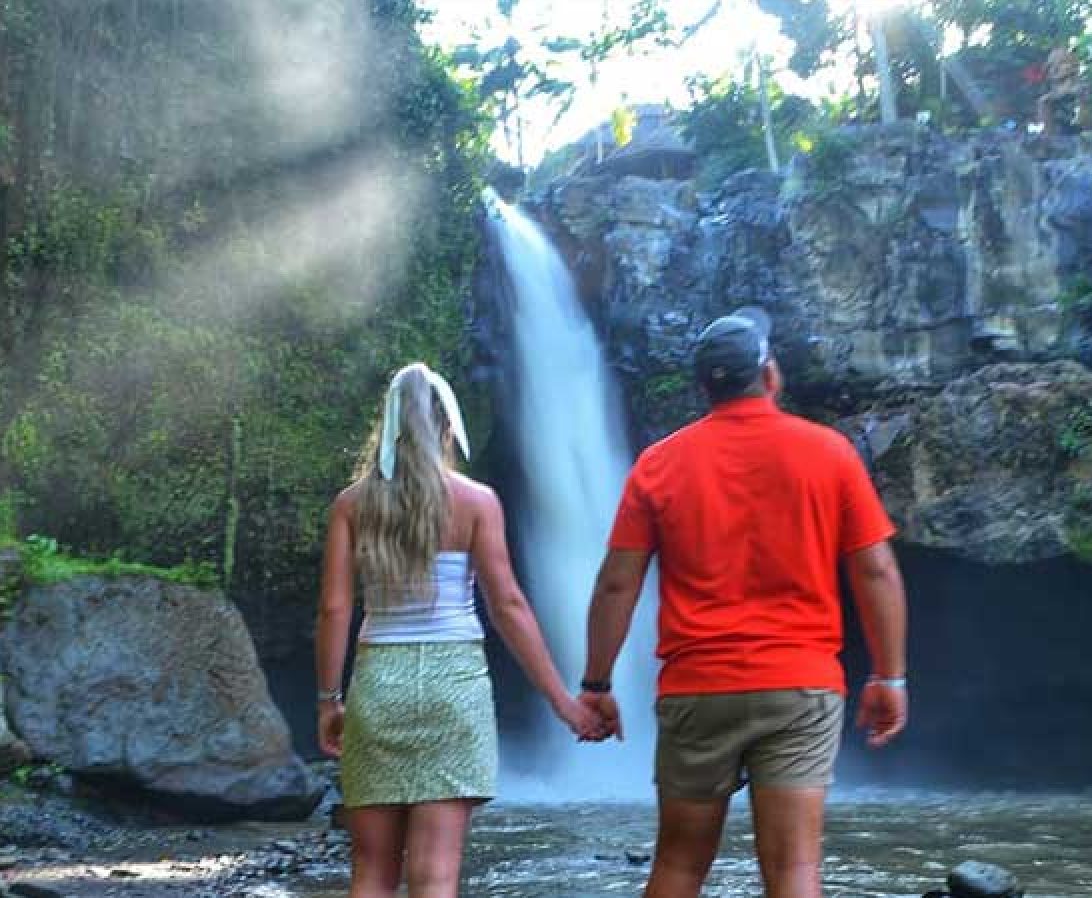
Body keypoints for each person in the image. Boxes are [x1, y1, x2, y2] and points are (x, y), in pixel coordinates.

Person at [579, 308, 909, 898]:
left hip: (697, 687)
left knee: (678, 866)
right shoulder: (829, 453)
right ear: (771, 376)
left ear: (705, 387)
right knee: (794, 870)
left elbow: (615, 584)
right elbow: (876, 569)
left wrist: (597, 685)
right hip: (799, 688)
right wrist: (889, 676)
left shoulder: (659, 464)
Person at [315, 362, 601, 898]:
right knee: (437, 873)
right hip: (454, 688)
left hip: (379, 685)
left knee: (372, 870)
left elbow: (334, 609)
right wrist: (563, 701)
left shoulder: (353, 505)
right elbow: (509, 605)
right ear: (446, 430)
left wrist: (329, 699)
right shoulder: (475, 502)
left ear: (388, 426)